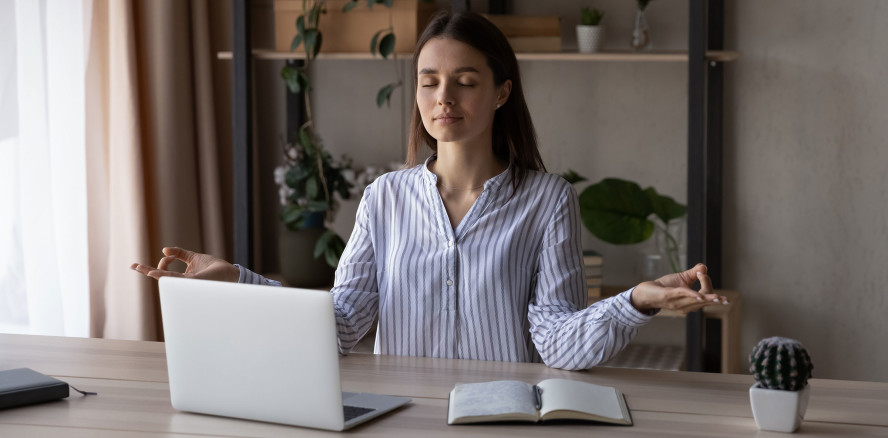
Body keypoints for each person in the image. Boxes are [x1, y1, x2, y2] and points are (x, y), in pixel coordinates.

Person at [132, 10, 728, 370]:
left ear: (501, 92)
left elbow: (556, 343)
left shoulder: (548, 200)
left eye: (465, 81)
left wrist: (636, 301)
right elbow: (340, 326)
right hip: (399, 417)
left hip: (503, 419)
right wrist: (239, 281)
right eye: (429, 82)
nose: (444, 98)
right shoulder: (384, 198)